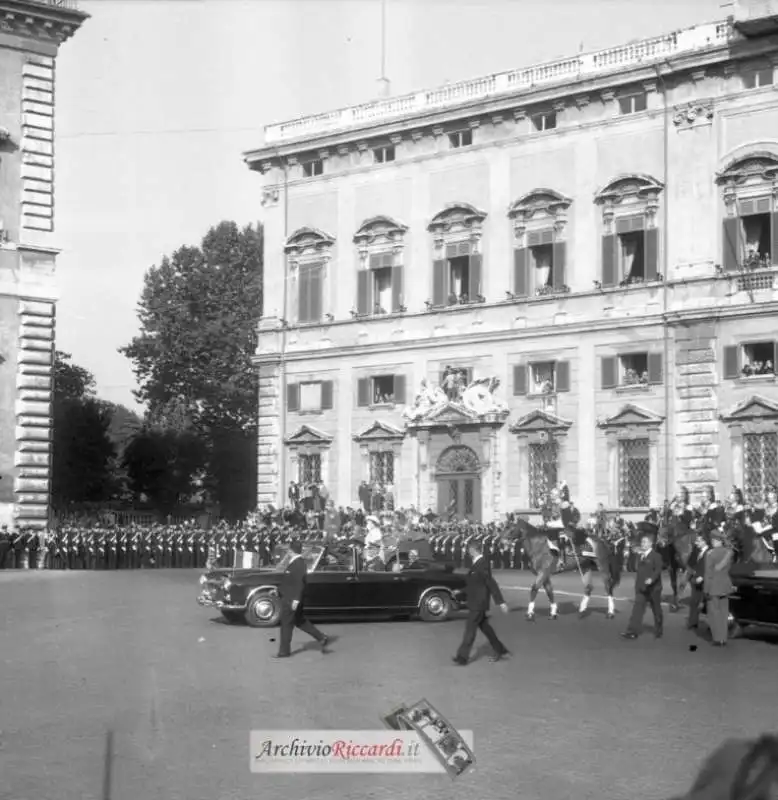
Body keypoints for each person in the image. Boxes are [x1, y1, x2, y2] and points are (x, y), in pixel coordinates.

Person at [452, 540, 510, 666]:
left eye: (468, 549)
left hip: (478, 603)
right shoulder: (477, 563)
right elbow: (474, 584)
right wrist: (460, 591)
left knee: (470, 630)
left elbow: (490, 583)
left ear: (473, 550)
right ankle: (500, 649)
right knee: (485, 628)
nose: (467, 552)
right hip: (476, 601)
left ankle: (462, 657)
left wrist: (501, 602)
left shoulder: (482, 564)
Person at [273, 539, 329, 659]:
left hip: (291, 599)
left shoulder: (298, 564)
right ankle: (321, 637)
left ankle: (284, 651)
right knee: (300, 621)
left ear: (290, 550)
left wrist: (295, 600)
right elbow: (289, 581)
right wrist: (278, 590)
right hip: (290, 596)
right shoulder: (296, 562)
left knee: (286, 624)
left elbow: (299, 584)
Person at [621, 528, 663, 640]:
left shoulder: (656, 556)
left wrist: (651, 579)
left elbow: (658, 570)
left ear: (651, 544)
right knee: (637, 609)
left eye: (645, 542)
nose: (642, 544)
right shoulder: (640, 556)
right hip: (641, 587)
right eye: (642, 542)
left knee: (656, 609)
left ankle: (659, 629)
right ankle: (632, 630)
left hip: (654, 588)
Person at [704, 528, 734, 647]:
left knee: (713, 613)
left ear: (715, 540)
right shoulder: (728, 552)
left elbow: (708, 573)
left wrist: (706, 589)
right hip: (725, 584)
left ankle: (717, 638)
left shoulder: (710, 553)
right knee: (723, 612)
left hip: (713, 586)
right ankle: (724, 637)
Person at [686, 533, 709, 631]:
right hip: (695, 579)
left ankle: (711, 623)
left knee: (707, 603)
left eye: (698, 541)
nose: (696, 543)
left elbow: (709, 567)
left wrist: (703, 576)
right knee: (694, 601)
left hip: (706, 580)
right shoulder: (697, 551)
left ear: (704, 541)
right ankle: (693, 622)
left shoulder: (709, 552)